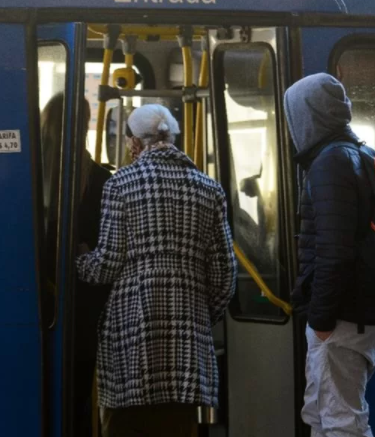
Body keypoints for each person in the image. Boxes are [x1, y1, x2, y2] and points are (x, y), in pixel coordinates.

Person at [76, 104, 236, 437]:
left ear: (134, 143)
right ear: (172, 137)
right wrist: (199, 317)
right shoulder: (209, 189)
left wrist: (79, 259)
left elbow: (106, 265)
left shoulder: (120, 185)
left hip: (131, 338)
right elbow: (224, 275)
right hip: (188, 344)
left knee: (125, 428)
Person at [285, 73, 375, 437]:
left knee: (342, 422)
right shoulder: (358, 154)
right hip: (357, 313)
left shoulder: (330, 163)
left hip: (344, 318)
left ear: (307, 116)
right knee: (321, 416)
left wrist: (320, 320)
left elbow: (333, 251)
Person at [40, 93, 113, 437]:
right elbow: (107, 253)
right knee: (78, 395)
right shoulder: (99, 180)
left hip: (35, 298)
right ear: (84, 128)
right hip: (85, 306)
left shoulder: (25, 175)